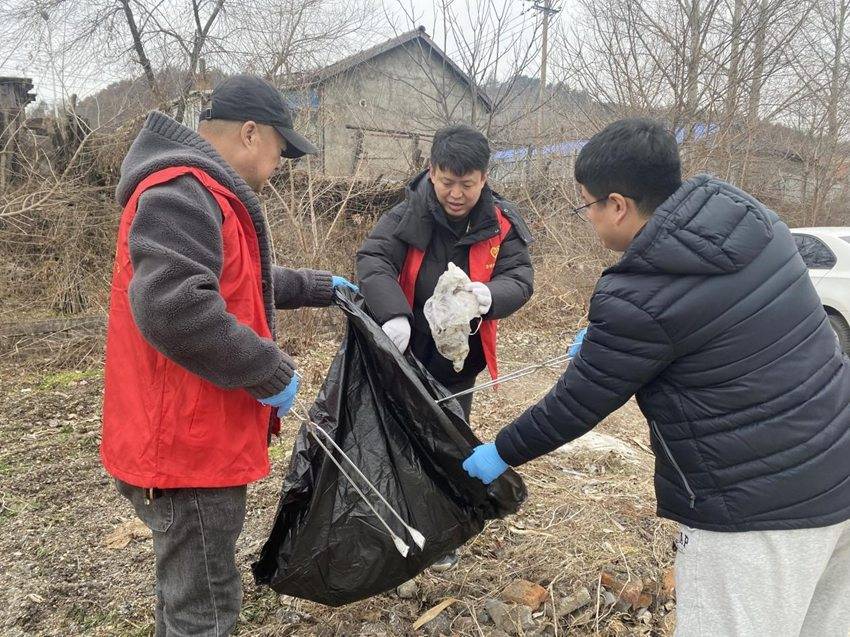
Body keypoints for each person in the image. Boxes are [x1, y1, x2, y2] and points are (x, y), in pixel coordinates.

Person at [463, 118, 850, 636]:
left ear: (617, 205)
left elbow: (574, 407)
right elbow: (722, 328)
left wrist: (501, 451)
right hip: (839, 471)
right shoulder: (752, 222)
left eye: (587, 205)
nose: (589, 219)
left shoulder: (640, 294)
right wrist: (615, 348)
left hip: (753, 511)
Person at [100, 74, 357, 636]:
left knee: (188, 597)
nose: (281, 163)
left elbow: (234, 281)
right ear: (248, 132)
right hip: (187, 453)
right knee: (205, 612)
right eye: (280, 149)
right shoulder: (182, 191)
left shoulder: (198, 192)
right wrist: (267, 370)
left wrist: (320, 287)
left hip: (193, 440)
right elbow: (173, 306)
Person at [356, 123, 534, 571]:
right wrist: (393, 313)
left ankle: (442, 533)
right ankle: (398, 520)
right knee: (400, 435)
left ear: (484, 178)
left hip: (459, 358)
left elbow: (520, 277)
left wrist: (490, 296)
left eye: (467, 185)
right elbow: (374, 259)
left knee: (450, 440)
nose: (456, 194)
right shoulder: (407, 214)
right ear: (431, 171)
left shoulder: (501, 223)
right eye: (447, 182)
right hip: (407, 351)